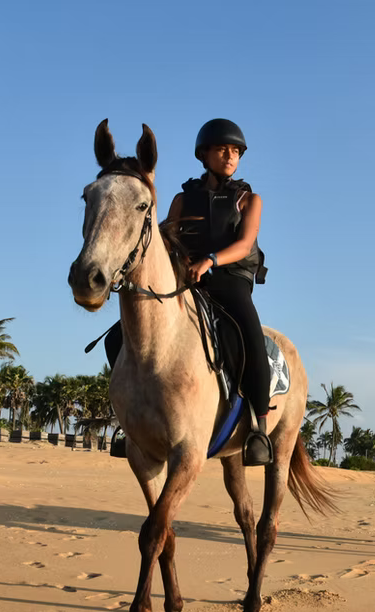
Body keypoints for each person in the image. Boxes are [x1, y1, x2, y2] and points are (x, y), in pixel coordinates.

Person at [106, 118, 272, 466]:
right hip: (188, 280)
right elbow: (163, 239)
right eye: (222, 149)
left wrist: (210, 260)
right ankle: (129, 422)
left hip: (230, 281)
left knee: (252, 340)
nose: (230, 156)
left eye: (236, 151)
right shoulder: (184, 198)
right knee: (118, 337)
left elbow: (244, 245)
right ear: (204, 155)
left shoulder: (248, 199)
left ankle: (259, 428)